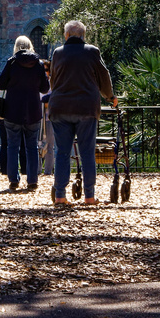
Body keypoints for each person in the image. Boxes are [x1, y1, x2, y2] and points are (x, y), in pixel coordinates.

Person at [49, 20, 117, 205]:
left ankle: (60, 196)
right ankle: (89, 196)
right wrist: (110, 97)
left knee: (62, 152)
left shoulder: (57, 53)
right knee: (87, 152)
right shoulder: (92, 51)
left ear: (66, 35)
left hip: (60, 108)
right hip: (86, 108)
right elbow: (104, 76)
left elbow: (53, 81)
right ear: (83, 36)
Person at [0, 35, 49, 192]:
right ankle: (32, 181)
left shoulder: (11, 63)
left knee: (12, 147)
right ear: (30, 45)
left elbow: (1, 84)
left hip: (12, 111)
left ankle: (14, 180)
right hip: (33, 111)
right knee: (32, 147)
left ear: (16, 47)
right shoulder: (39, 64)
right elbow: (45, 89)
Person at [39, 59, 55, 176]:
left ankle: (48, 171)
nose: (45, 72)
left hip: (49, 117)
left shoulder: (53, 83)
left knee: (50, 145)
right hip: (38, 117)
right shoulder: (37, 82)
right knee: (37, 145)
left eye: (46, 70)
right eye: (42, 70)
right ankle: (37, 170)